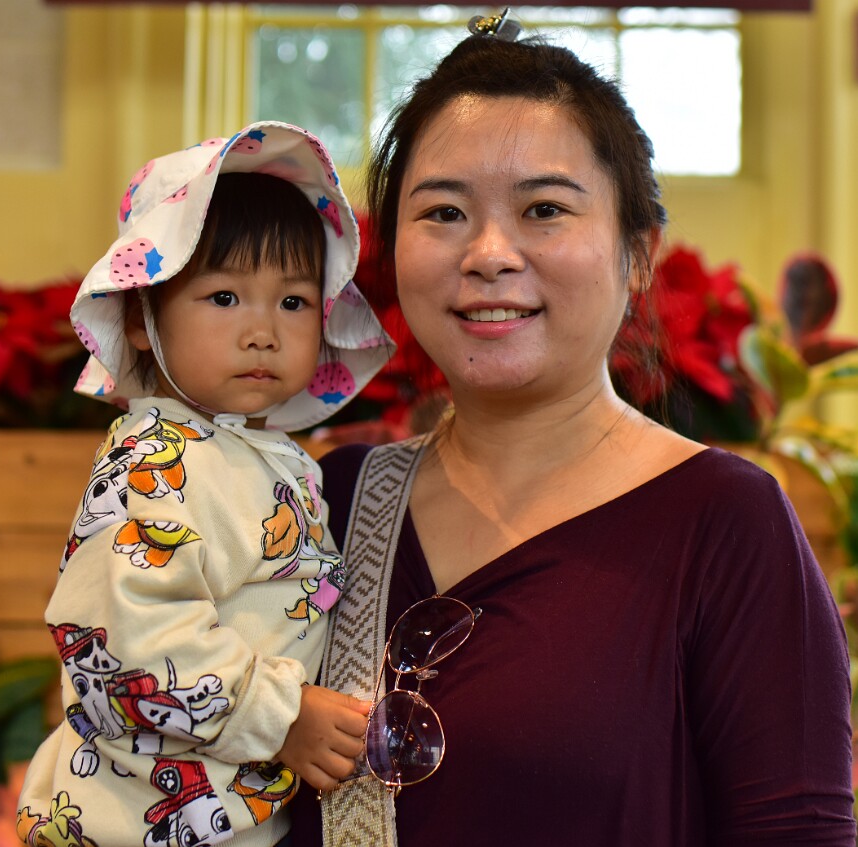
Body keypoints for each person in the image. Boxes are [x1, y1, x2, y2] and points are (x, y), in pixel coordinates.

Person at [293, 11, 856, 846]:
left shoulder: (728, 526)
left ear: (638, 254)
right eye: (443, 212)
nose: (488, 252)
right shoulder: (327, 502)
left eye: (545, 209)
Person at [17, 121, 394, 847]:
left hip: (229, 814)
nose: (263, 331)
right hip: (131, 822)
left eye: (293, 302)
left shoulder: (268, 455)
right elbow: (132, 637)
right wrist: (281, 714)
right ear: (138, 316)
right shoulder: (153, 463)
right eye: (224, 298)